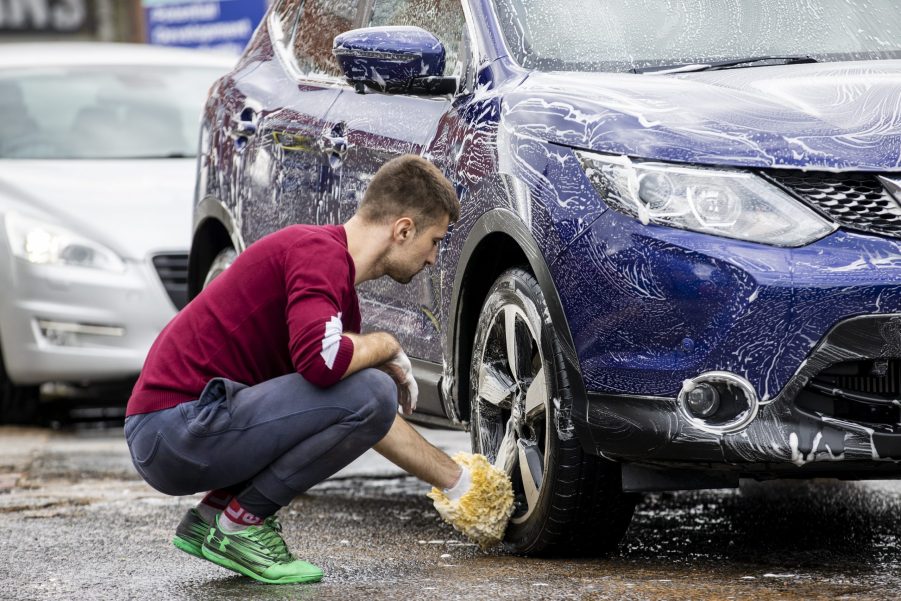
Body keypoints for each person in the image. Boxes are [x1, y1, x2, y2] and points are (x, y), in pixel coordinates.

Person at [124, 155, 511, 585]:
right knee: (373, 389)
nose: (434, 259)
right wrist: (386, 345)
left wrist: (461, 484)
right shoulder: (318, 255)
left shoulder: (334, 285)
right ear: (403, 230)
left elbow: (365, 417)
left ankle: (215, 514)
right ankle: (243, 524)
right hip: (175, 428)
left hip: (175, 431)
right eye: (435, 241)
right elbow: (326, 366)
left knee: (370, 392)